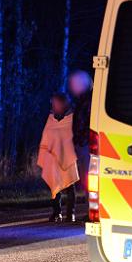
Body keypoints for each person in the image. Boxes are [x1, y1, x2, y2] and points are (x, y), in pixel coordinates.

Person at [38, 92, 79, 222]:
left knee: (70, 185)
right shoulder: (50, 118)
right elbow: (47, 136)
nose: (53, 105)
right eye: (52, 103)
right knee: (54, 184)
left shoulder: (72, 117)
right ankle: (56, 212)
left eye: (55, 103)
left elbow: (76, 136)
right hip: (53, 158)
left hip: (69, 156)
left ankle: (70, 214)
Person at [67, 70, 93, 205]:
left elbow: (85, 123)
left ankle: (93, 208)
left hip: (87, 145)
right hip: (83, 144)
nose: (71, 88)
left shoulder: (89, 101)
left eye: (73, 85)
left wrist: (80, 140)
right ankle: (91, 207)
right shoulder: (83, 100)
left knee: (89, 178)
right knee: (87, 178)